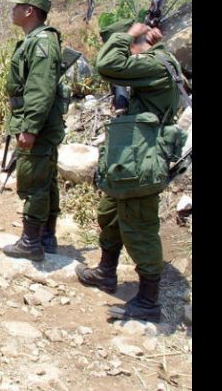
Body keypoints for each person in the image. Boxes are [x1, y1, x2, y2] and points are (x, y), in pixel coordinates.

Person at [76, 19, 183, 323]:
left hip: (141, 162)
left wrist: (128, 36)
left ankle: (148, 301)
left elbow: (108, 65)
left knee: (139, 226)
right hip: (131, 159)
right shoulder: (153, 67)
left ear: (138, 41)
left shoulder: (157, 64)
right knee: (110, 213)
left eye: (125, 44)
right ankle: (105, 271)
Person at [1, 0, 66, 261]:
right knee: (46, 179)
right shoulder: (37, 40)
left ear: (29, 11)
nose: (12, 9)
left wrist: (29, 128)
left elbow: (40, 89)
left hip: (37, 125)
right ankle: (46, 237)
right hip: (40, 124)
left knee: (35, 181)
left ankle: (31, 243)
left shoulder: (41, 42)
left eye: (17, 5)